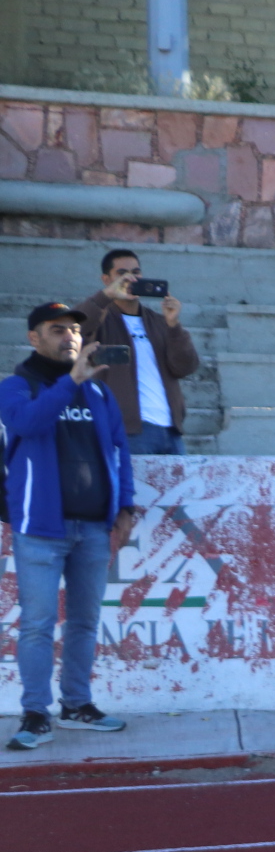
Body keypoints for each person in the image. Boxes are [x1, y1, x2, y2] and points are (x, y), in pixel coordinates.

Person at [4, 304, 138, 750]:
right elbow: (28, 423)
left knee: (83, 623)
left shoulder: (99, 395)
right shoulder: (16, 387)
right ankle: (36, 713)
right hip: (40, 530)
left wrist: (125, 509)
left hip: (94, 530)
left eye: (76, 330)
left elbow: (120, 451)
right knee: (38, 625)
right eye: (57, 329)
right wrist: (73, 381)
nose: (70, 337)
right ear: (34, 338)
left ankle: (77, 705)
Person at [73, 249, 197, 455]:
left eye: (136, 272)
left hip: (171, 430)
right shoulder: (101, 318)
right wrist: (105, 297)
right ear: (106, 279)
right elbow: (78, 327)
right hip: (128, 431)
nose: (131, 278)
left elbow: (185, 367)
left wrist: (174, 326)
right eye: (122, 273)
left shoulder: (159, 321)